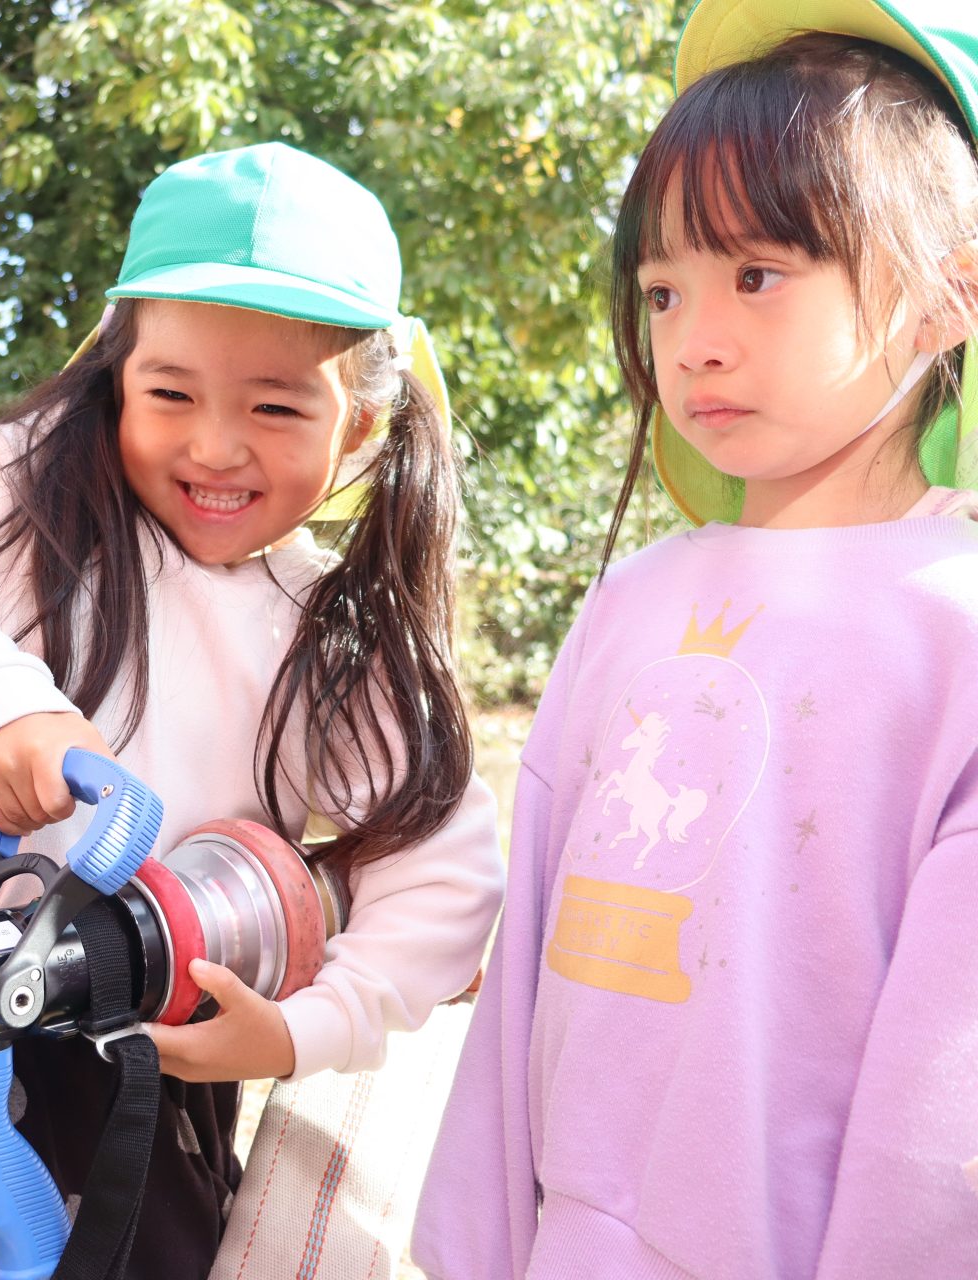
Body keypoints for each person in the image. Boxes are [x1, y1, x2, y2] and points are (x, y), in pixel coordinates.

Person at [0, 142, 504, 1280]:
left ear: (357, 425)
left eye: (276, 405)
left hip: (141, 1052)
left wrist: (304, 1027)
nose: (215, 443)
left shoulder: (333, 637)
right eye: (171, 393)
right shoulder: (30, 486)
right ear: (114, 377)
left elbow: (444, 871)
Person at [413, 3, 978, 1276]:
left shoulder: (957, 633)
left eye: (758, 275)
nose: (695, 341)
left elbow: (944, 1122)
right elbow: (524, 981)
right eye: (664, 291)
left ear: (949, 297)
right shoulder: (633, 600)